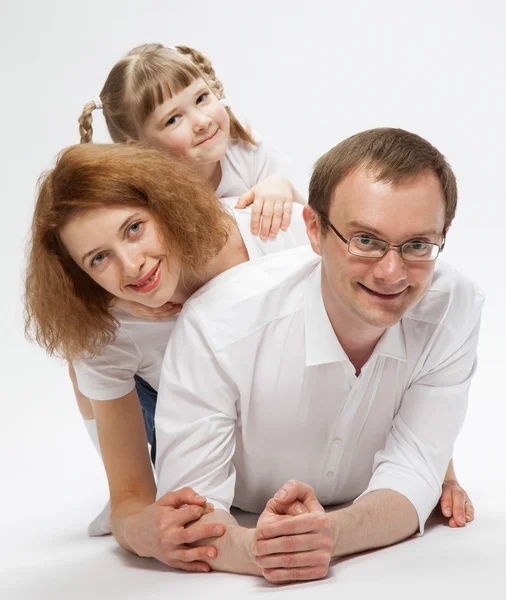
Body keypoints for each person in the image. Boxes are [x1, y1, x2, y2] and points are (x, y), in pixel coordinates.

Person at [154, 127, 485, 582]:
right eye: (365, 240)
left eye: (417, 245)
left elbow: (414, 474)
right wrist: (263, 551)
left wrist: (327, 534)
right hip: (241, 513)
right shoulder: (217, 323)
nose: (392, 272)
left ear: (442, 237)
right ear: (313, 229)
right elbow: (189, 514)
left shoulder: (456, 306)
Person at [24, 142, 309, 570]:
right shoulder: (109, 332)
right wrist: (142, 530)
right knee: (83, 355)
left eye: (134, 228)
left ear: (163, 204)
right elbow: (129, 498)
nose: (132, 266)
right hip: (189, 424)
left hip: (297, 408)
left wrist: (438, 470)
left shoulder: (266, 229)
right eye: (99, 259)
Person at [73, 42, 305, 534]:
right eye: (173, 119)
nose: (200, 122)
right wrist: (126, 295)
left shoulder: (248, 156)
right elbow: (106, 255)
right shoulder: (139, 204)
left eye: (202, 100)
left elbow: (303, 223)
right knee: (81, 355)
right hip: (172, 388)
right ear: (138, 152)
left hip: (248, 383)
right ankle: (129, 478)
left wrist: (280, 187)